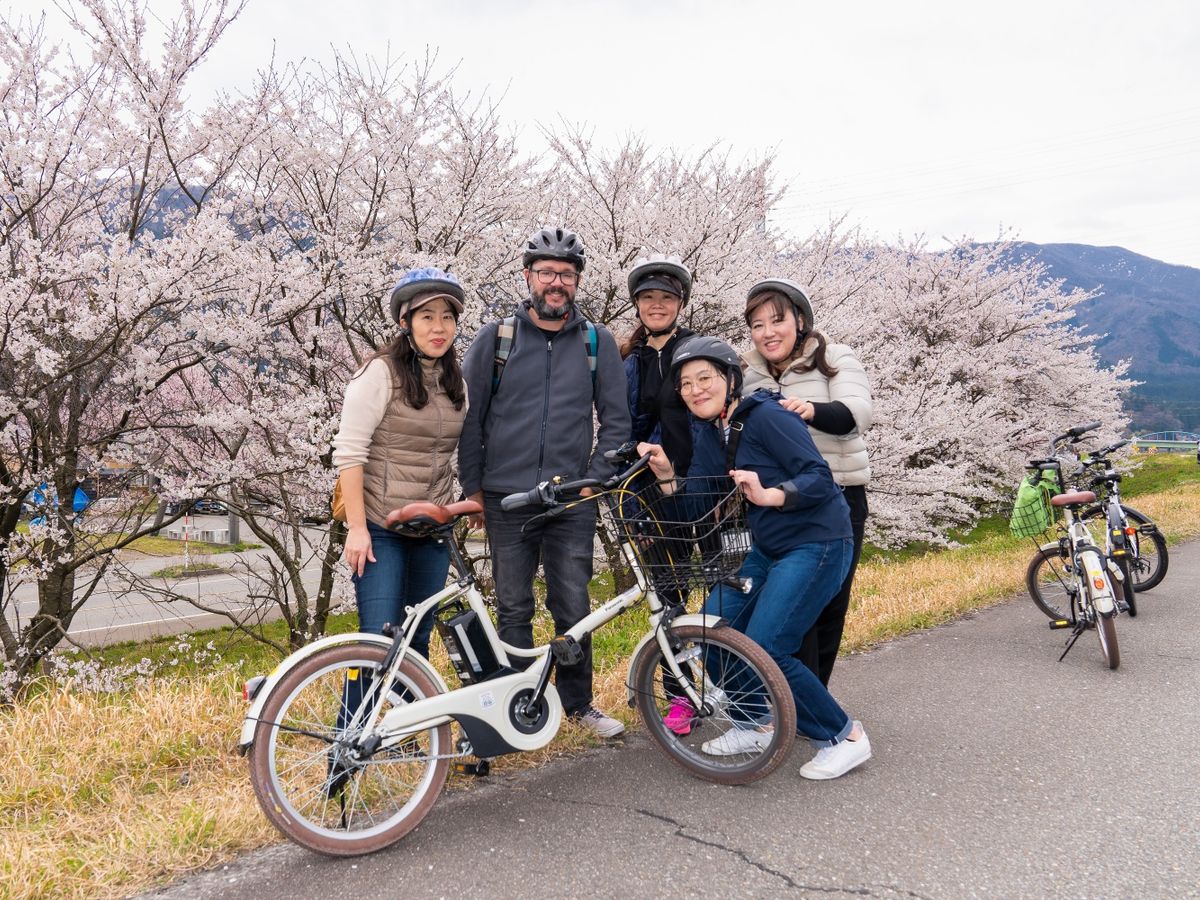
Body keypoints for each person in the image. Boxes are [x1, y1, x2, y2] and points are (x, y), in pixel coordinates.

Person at [639, 335, 872, 780]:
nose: (694, 390)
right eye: (685, 384)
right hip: (767, 549)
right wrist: (668, 477)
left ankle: (844, 736)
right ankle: (753, 723)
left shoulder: (767, 417)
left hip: (817, 543)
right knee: (708, 630)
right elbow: (699, 508)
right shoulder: (709, 431)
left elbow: (820, 479)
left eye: (704, 378)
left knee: (768, 645)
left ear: (730, 379)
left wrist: (772, 494)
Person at [458, 226, 632, 738]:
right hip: (506, 497)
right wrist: (474, 490)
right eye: (547, 273)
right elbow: (472, 420)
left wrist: (593, 480)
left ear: (577, 282)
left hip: (570, 499)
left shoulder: (596, 343)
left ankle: (578, 705)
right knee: (512, 606)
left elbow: (616, 423)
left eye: (567, 274)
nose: (556, 283)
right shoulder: (497, 338)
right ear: (528, 276)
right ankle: (518, 710)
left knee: (572, 605)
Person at [742, 278, 873, 688]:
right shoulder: (748, 373)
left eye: (776, 320)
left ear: (800, 320)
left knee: (829, 606)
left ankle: (813, 696)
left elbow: (856, 414)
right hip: (780, 503)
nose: (767, 333)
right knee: (791, 608)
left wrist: (811, 410)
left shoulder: (833, 358)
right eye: (757, 324)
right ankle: (795, 702)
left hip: (838, 499)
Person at [331, 267, 467, 655]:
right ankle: (354, 719)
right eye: (427, 316)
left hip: (432, 532)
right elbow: (350, 454)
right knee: (378, 640)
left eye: (447, 316)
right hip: (381, 529)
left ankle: (413, 718)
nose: (438, 327)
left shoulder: (455, 380)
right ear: (406, 322)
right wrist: (357, 529)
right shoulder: (379, 373)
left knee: (418, 640)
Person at [620, 254, 696, 475]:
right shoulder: (629, 359)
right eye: (648, 297)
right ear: (637, 303)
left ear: (681, 304)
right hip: (639, 481)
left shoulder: (697, 353)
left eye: (667, 297)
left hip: (691, 478)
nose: (657, 305)